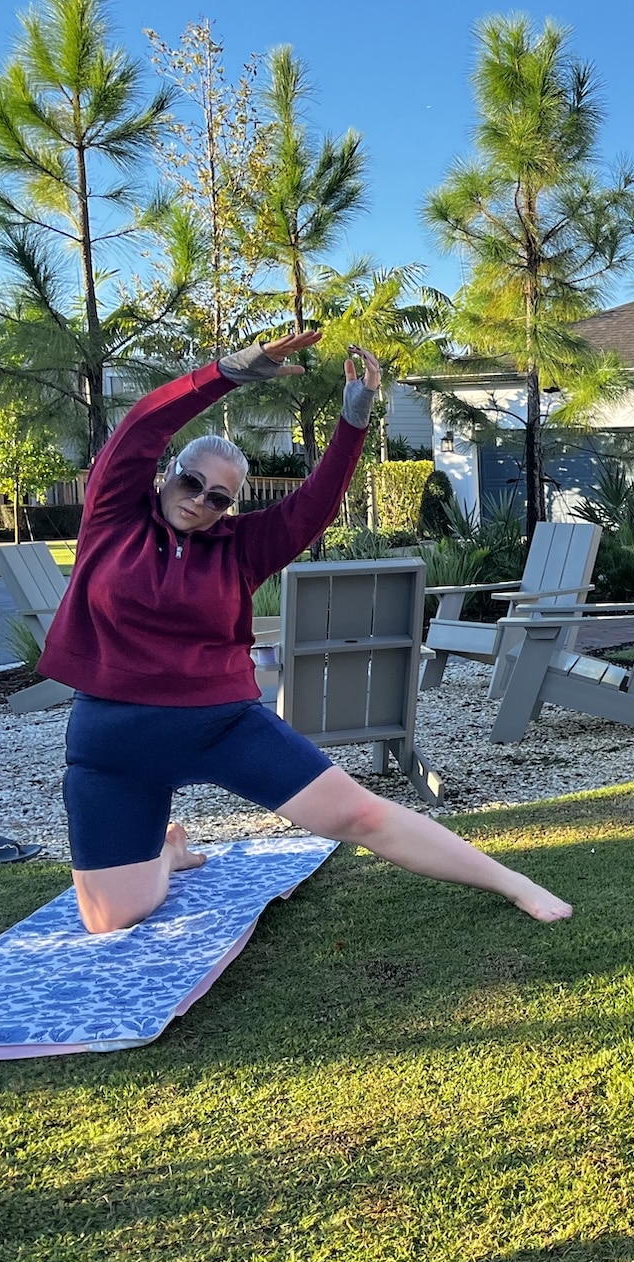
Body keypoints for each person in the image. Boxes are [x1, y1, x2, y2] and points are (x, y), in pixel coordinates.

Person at [38, 331, 572, 934]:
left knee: (361, 816)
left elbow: (315, 505)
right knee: (113, 920)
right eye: (191, 484)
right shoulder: (111, 520)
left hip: (221, 725)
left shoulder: (237, 548)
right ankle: (166, 852)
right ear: (168, 475)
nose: (199, 502)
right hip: (114, 742)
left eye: (219, 498)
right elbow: (140, 425)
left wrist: (354, 418)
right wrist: (230, 372)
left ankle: (514, 881)